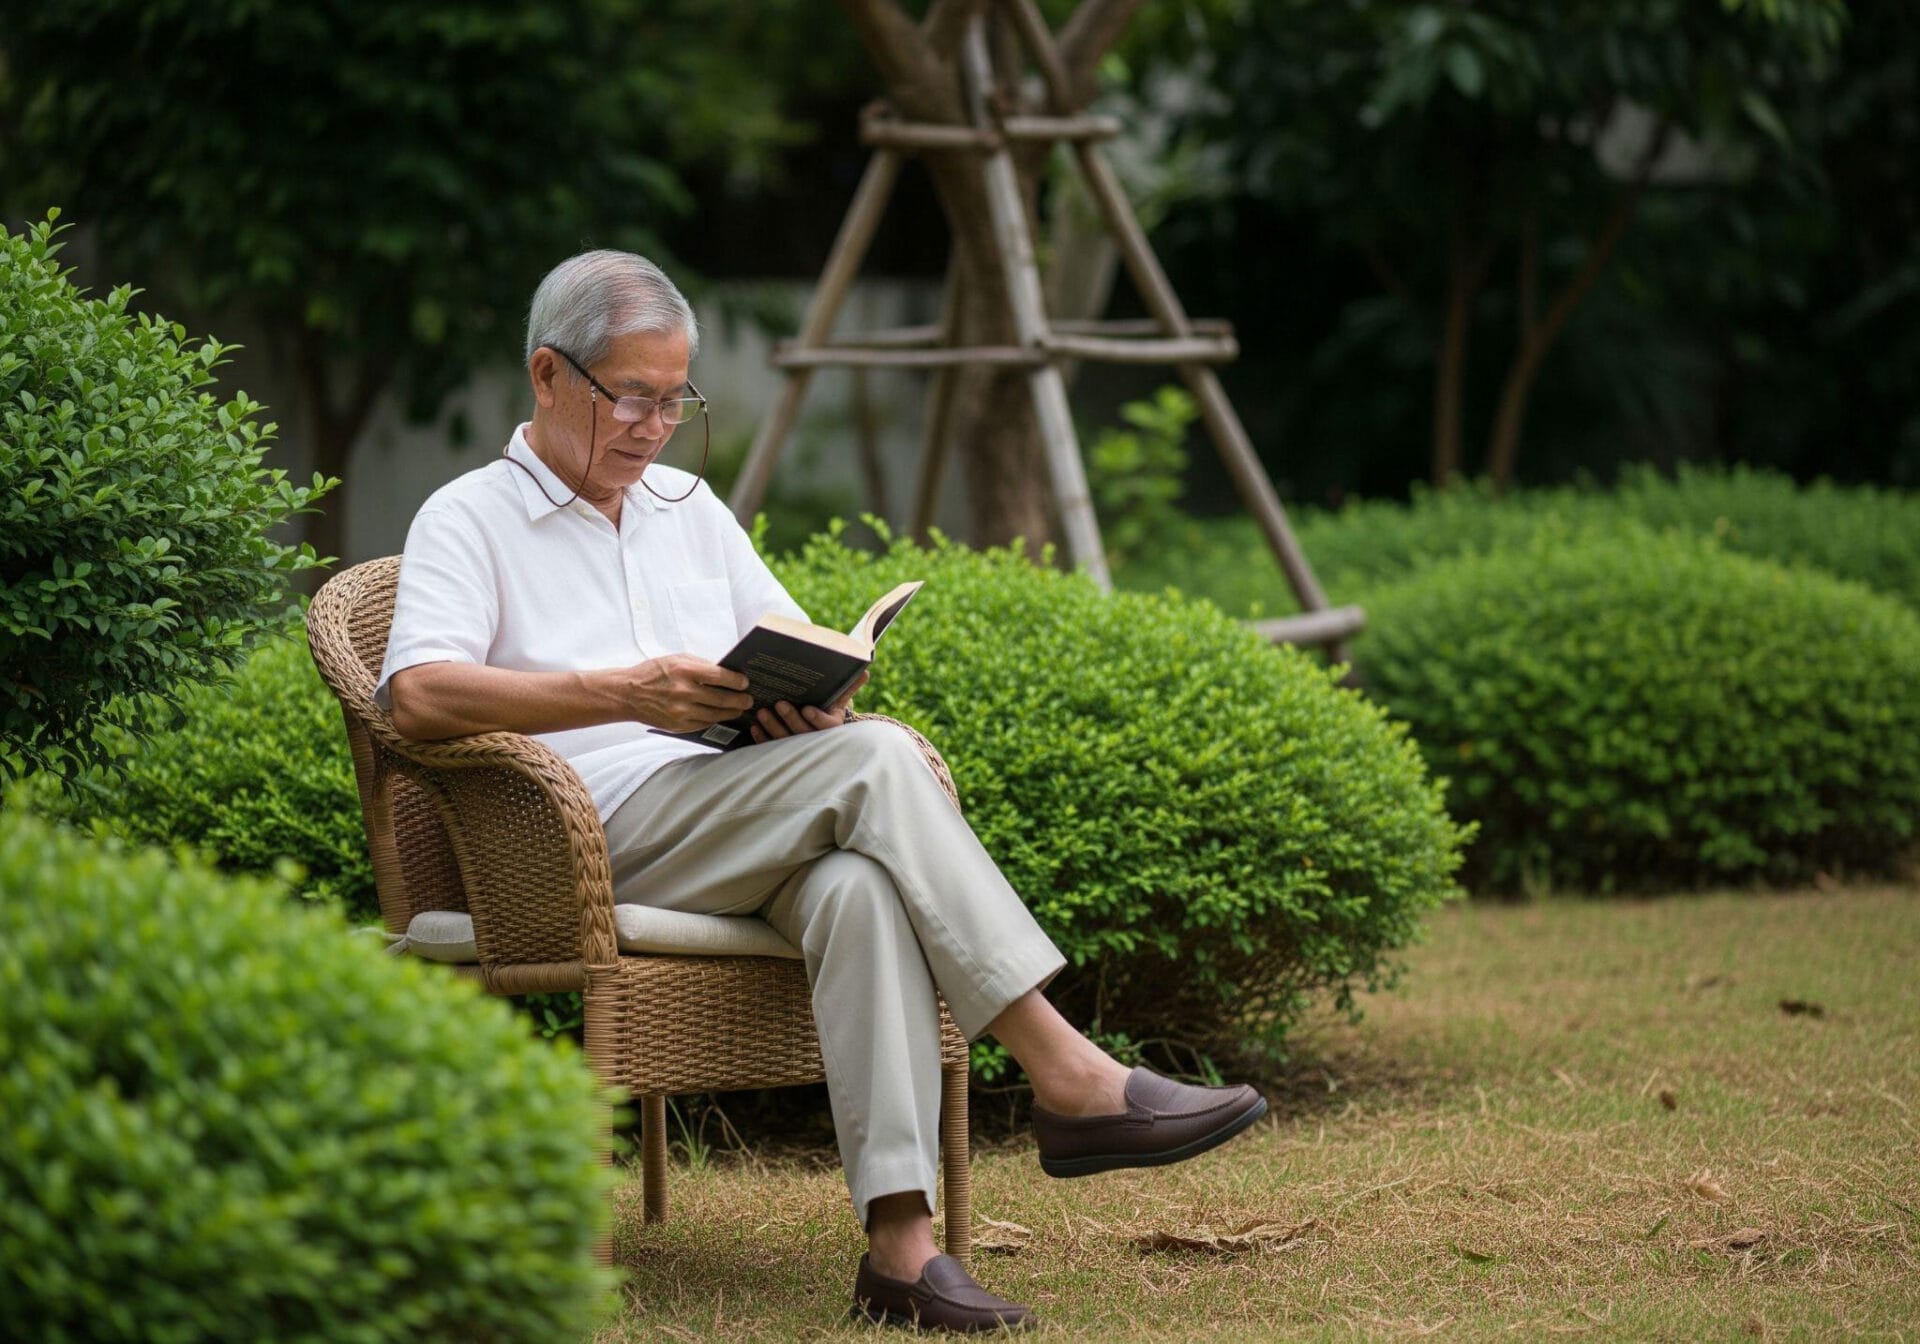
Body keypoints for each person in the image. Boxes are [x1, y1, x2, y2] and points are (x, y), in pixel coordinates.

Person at [377, 250, 1266, 1332]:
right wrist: (621, 692)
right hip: (584, 833)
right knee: (881, 762)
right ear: (549, 376)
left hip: (729, 811)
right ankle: (1066, 1071)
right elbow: (417, 696)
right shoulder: (468, 517)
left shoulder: (689, 509)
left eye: (677, 401)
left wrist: (810, 707)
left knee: (859, 884)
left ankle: (902, 1255)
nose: (656, 429)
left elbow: (792, 639)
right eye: (633, 398)